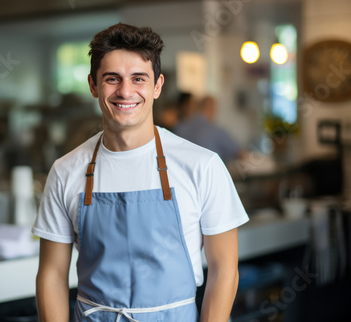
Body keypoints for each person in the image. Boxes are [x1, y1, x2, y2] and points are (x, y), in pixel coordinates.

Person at [33, 23, 249, 322]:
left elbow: (225, 268)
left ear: (157, 86)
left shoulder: (202, 165)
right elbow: (52, 275)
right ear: (93, 85)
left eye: (138, 79)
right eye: (112, 79)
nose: (125, 91)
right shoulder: (66, 171)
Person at [174, 95, 245, 164]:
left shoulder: (180, 128)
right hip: (209, 174)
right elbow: (241, 154)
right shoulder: (217, 131)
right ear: (212, 109)